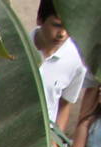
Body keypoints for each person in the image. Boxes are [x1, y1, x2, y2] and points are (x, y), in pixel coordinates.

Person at [34, 0, 86, 134]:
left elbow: (65, 104)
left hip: (42, 138)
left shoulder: (76, 62)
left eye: (68, 26)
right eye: (56, 25)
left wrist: (55, 143)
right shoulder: (15, 48)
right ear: (39, 19)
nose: (62, 33)